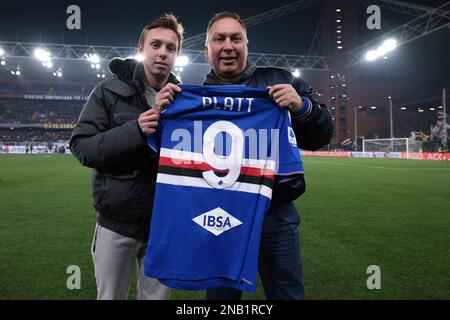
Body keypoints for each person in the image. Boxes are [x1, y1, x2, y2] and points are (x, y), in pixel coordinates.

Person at [200, 12, 334, 300]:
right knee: (221, 299)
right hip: (221, 216)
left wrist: (303, 107)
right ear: (206, 49)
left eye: (236, 38)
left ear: (247, 45)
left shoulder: (281, 80)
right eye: (219, 39)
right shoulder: (196, 98)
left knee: (286, 293)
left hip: (276, 214)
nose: (228, 46)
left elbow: (321, 137)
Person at [69, 14, 184, 300]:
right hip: (115, 224)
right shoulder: (107, 92)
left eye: (170, 48)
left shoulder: (183, 100)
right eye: (155, 45)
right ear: (141, 47)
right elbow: (82, 147)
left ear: (177, 55)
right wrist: (134, 130)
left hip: (162, 226)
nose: (162, 53)